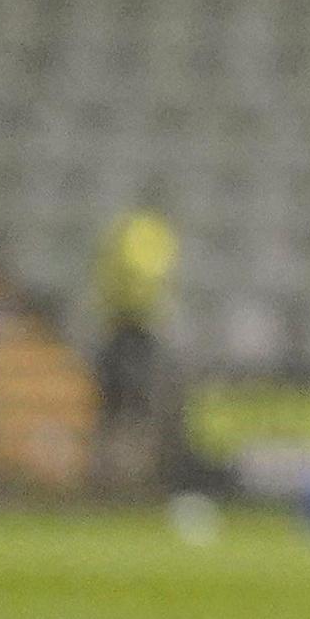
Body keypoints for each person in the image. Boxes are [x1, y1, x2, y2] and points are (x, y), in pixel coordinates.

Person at [90, 195, 182, 490]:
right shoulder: (154, 236)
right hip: (134, 328)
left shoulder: (124, 233)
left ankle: (118, 479)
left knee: (120, 411)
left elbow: (115, 277)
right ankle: (129, 480)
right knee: (131, 410)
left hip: (124, 327)